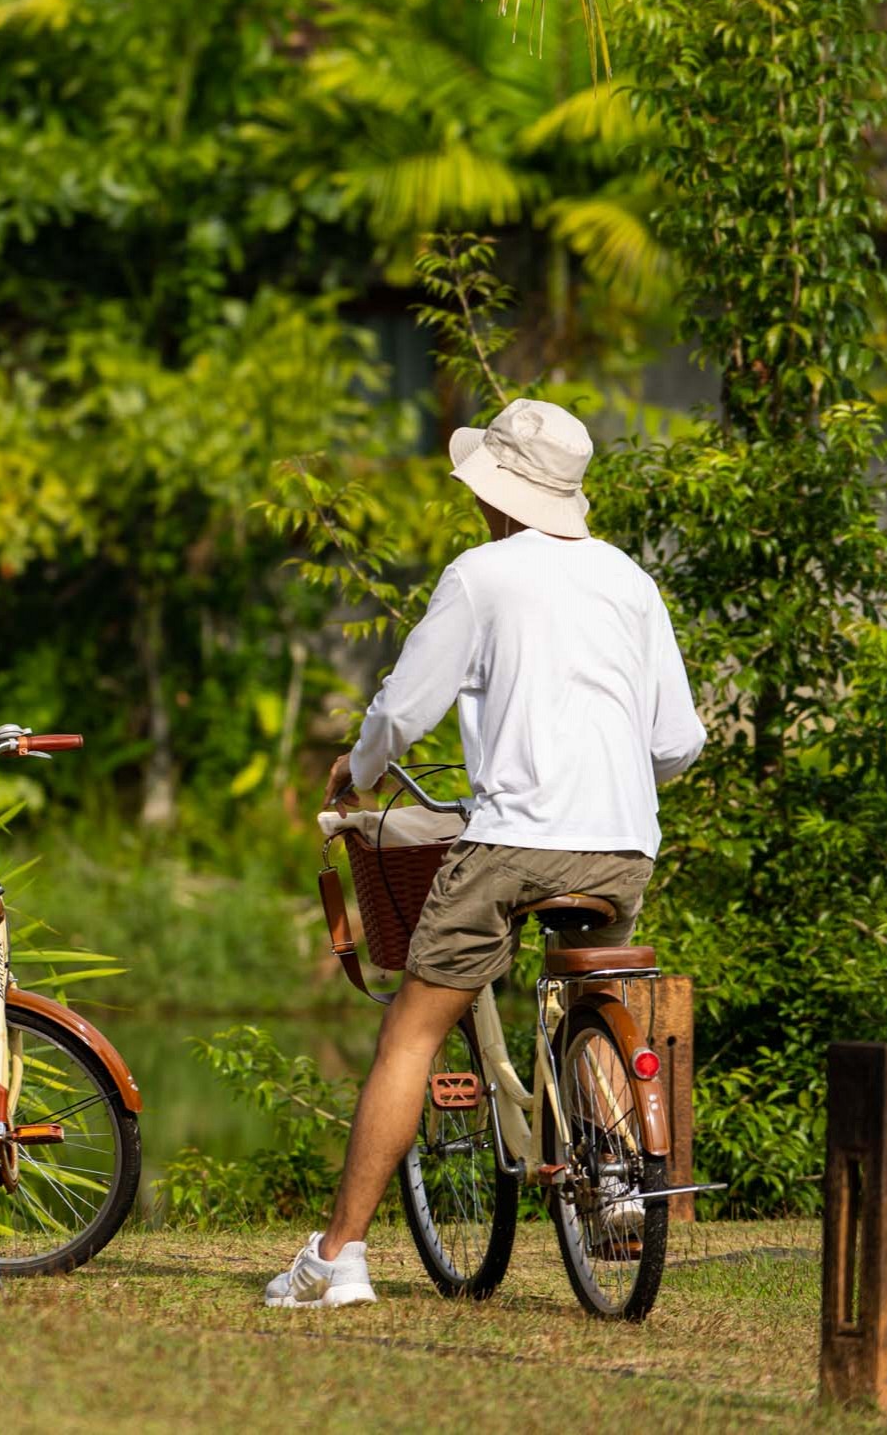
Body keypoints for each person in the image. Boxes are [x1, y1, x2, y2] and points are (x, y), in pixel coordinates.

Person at [266, 400, 706, 1309]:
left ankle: (339, 1256)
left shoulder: (481, 574)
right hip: (623, 843)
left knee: (411, 1033)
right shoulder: (631, 580)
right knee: (584, 993)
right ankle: (617, 1183)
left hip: (513, 842)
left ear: (496, 492)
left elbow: (403, 709)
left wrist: (358, 769)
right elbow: (678, 741)